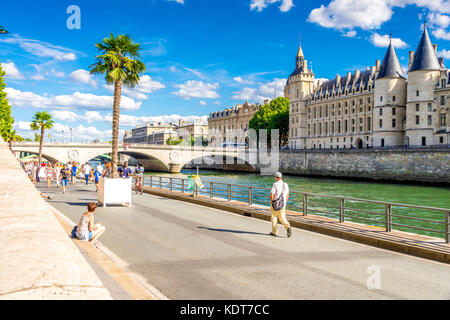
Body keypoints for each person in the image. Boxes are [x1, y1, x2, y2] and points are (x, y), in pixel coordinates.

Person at [270, 172, 292, 238]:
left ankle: (274, 232)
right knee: (282, 217)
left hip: (275, 203)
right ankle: (288, 227)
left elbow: (272, 194)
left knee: (274, 217)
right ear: (281, 177)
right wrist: (284, 202)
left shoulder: (275, 184)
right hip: (283, 204)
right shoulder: (286, 184)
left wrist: (272, 202)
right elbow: (287, 195)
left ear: (276, 177)